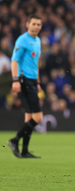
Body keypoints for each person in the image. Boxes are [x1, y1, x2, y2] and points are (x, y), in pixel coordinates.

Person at [8, 14, 43, 158]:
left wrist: (38, 82)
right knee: (38, 117)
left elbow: (35, 64)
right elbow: (14, 61)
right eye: (33, 24)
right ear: (27, 24)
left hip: (32, 80)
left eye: (38, 24)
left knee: (29, 117)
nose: (36, 27)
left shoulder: (38, 40)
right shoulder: (22, 40)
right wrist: (15, 80)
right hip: (24, 80)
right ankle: (15, 140)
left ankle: (24, 150)